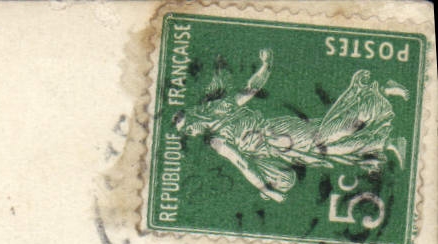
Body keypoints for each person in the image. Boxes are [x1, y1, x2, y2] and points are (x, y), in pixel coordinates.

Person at [175, 50, 408, 203]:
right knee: (332, 148)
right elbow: (246, 161)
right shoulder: (215, 134)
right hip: (279, 149)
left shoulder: (220, 121)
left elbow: (242, 162)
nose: (191, 134)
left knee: (329, 137)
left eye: (188, 128)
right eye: (187, 133)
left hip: (279, 134)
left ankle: (378, 93)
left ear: (195, 117)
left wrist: (266, 66)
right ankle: (386, 140)